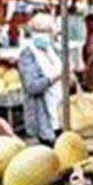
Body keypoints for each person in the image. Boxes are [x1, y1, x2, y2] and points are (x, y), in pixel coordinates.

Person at [18, 13, 64, 146]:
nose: (42, 34)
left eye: (45, 31)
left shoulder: (52, 50)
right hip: (44, 116)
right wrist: (55, 77)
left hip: (59, 112)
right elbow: (32, 86)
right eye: (38, 31)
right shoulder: (28, 54)